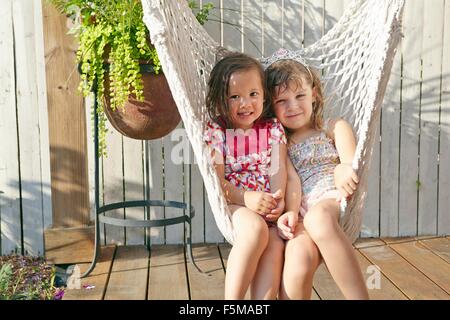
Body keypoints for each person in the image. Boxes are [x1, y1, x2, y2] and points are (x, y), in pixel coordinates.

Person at [264, 51, 369, 300]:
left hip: (330, 199)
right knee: (298, 258)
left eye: (300, 95)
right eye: (282, 101)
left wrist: (342, 168)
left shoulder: (333, 127)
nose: (293, 106)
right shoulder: (279, 143)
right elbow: (292, 180)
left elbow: (351, 163)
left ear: (314, 94)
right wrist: (289, 211)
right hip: (300, 212)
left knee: (318, 219)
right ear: (271, 106)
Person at [204, 52, 287, 299]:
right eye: (235, 97)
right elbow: (218, 182)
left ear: (263, 95)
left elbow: (278, 168)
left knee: (274, 245)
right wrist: (245, 198)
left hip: (267, 203)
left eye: (253, 94)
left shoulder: (272, 128)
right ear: (220, 101)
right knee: (254, 230)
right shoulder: (217, 131)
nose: (245, 104)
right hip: (236, 204)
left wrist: (278, 198)